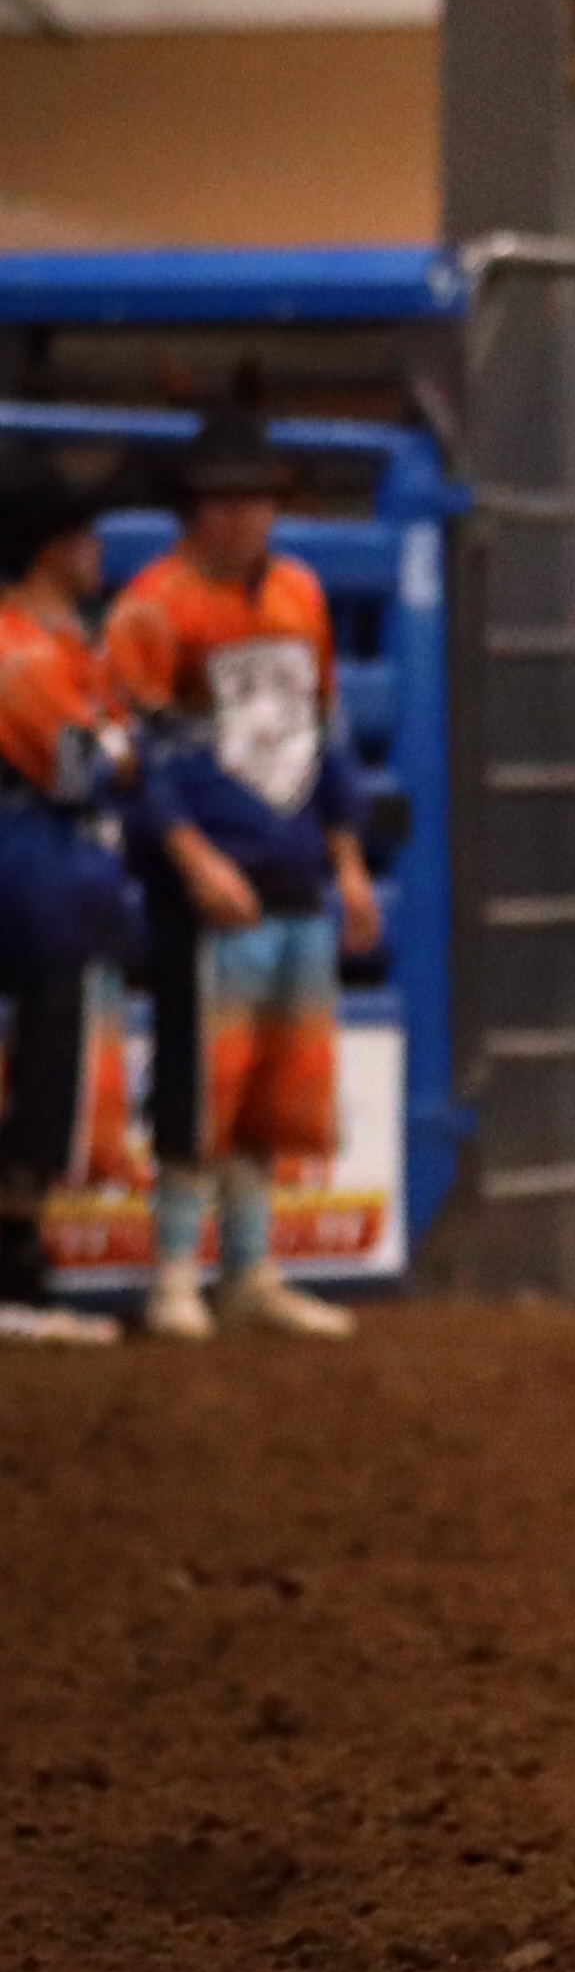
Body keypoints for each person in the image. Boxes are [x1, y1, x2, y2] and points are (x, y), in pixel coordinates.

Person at [106, 395, 381, 1341]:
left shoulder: (299, 594)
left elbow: (326, 732)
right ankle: (175, 1271)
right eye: (222, 499)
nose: (240, 514)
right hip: (212, 882)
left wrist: (347, 860)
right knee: (198, 1079)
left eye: (255, 498)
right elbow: (133, 751)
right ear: (192, 508)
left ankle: (250, 1267)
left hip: (294, 867)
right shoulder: (153, 607)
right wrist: (187, 855)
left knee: (272, 1080)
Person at [0, 458, 132, 1347]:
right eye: (83, 535)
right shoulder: (24, 653)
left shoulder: (62, 646)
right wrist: (118, 750)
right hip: (29, 871)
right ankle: (15, 1268)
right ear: (53, 548)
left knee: (49, 1055)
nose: (97, 550)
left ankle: (21, 1258)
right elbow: (84, 768)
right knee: (43, 1055)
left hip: (49, 873)